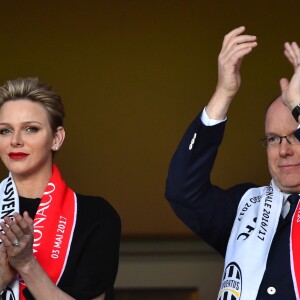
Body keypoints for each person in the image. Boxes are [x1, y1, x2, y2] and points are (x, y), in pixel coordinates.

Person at [165, 26, 300, 299]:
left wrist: (298, 103)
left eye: (296, 136)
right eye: (273, 139)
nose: (284, 150)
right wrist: (223, 93)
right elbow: (182, 191)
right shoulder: (245, 206)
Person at [0, 77, 121, 300]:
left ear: (56, 138)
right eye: (5, 131)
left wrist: (27, 264)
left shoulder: (94, 216)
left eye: (31, 129)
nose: (15, 140)